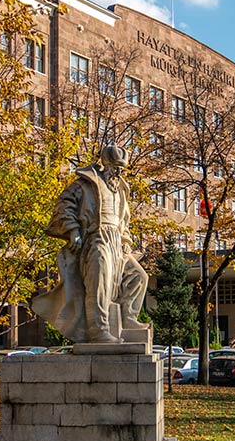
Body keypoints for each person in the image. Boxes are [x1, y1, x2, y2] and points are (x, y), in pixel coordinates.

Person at [31, 145, 148, 344]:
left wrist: (126, 241)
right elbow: (64, 205)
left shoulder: (120, 189)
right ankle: (98, 329)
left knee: (139, 276)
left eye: (122, 168)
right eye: (115, 167)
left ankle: (128, 316)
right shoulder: (85, 184)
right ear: (106, 164)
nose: (119, 172)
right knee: (100, 277)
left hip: (117, 243)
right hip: (96, 238)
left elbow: (124, 220)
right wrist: (73, 230)